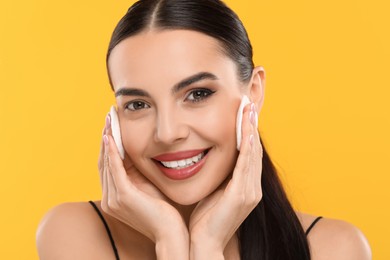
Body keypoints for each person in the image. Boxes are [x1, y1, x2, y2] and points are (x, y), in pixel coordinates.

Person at [36, 0, 371, 259]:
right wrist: (169, 239)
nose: (167, 133)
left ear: (253, 91)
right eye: (138, 104)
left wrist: (208, 246)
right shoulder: (74, 233)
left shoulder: (332, 248)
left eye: (197, 94)